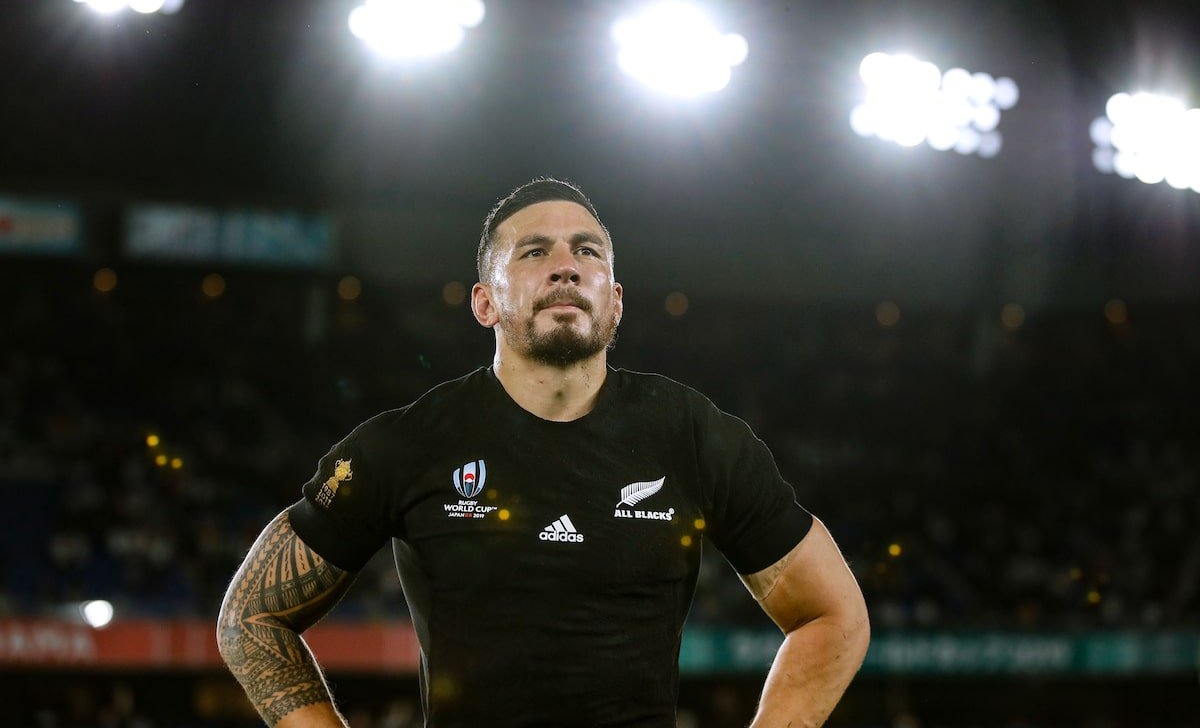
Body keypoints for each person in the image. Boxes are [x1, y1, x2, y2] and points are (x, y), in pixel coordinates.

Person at [217, 177, 870, 727]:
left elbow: (833, 613)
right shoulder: (410, 441)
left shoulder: (693, 435)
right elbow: (250, 617)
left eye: (587, 251)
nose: (566, 265)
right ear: (484, 303)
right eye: (534, 252)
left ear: (615, 302)